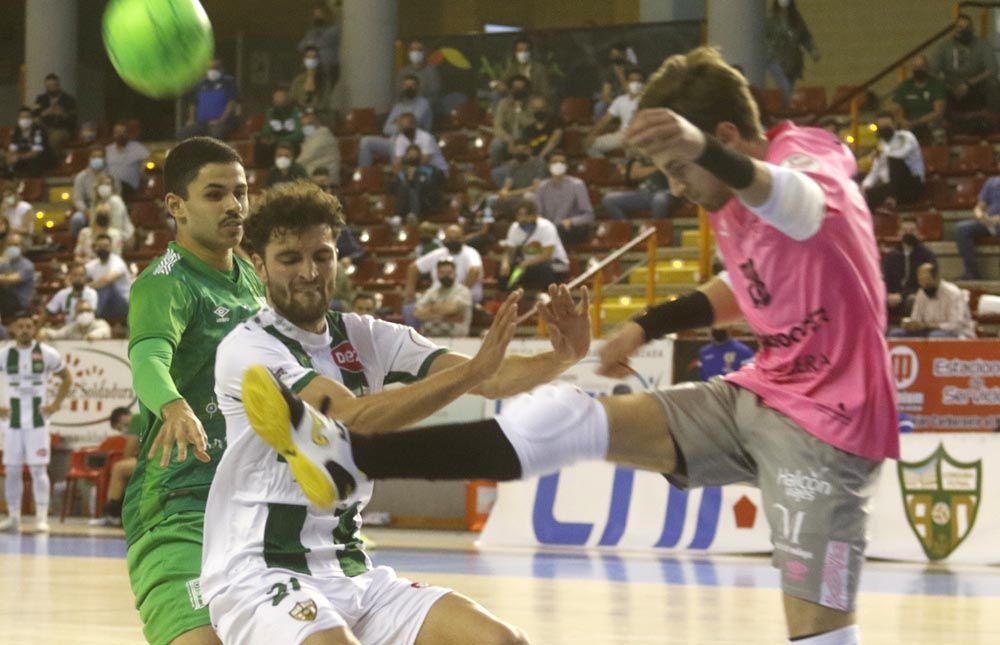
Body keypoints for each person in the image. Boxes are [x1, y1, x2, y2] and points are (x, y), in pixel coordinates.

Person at [270, 46, 899, 645]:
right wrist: (649, 324)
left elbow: (806, 208)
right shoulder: (737, 199)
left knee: (823, 634)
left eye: (680, 168)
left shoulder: (807, 168)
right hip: (761, 393)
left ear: (728, 139)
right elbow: (753, 276)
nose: (677, 185)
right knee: (565, 415)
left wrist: (702, 149)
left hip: (831, 428)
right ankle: (351, 460)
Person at [200, 180, 589, 645]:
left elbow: (495, 378)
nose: (309, 272)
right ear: (259, 265)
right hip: (259, 572)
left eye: (322, 256)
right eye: (290, 259)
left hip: (351, 569)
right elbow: (349, 417)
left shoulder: (365, 335)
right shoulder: (248, 346)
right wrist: (474, 373)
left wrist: (563, 357)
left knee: (504, 641)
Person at [121, 137, 265, 645]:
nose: (234, 205)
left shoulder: (250, 276)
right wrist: (174, 404)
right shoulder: (165, 282)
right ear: (176, 207)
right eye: (215, 194)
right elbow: (147, 358)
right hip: (180, 502)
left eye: (241, 192)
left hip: (255, 503)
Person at [0, 311, 72, 534]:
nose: (24, 330)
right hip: (11, 422)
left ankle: (41, 518)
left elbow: (67, 377)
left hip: (38, 422)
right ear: (13, 329)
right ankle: (13, 517)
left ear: (34, 328)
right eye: (20, 326)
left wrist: (56, 404)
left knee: (38, 469)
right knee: (11, 470)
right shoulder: (4, 354)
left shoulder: (47, 353)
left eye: (28, 326)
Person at [931, 13, 1000, 119]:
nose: (961, 31)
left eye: (965, 28)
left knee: (993, 84)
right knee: (933, 87)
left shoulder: (982, 45)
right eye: (959, 27)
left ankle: (994, 121)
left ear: (971, 29)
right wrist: (949, 86)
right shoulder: (944, 47)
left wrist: (968, 84)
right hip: (951, 86)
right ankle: (939, 125)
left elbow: (992, 69)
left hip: (975, 85)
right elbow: (933, 71)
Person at [357, 79, 434, 169]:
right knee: (365, 141)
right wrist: (401, 125)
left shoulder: (423, 103)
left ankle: (397, 176)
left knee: (397, 143)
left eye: (412, 85)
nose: (409, 88)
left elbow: (409, 126)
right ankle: (364, 176)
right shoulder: (399, 105)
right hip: (394, 140)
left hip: (416, 142)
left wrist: (397, 122)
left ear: (418, 87)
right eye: (406, 85)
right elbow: (386, 129)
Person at [889, 263, 975, 339]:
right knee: (895, 334)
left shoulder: (953, 294)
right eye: (922, 284)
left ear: (937, 278)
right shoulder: (922, 293)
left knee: (935, 336)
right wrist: (911, 324)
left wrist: (928, 325)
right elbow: (916, 319)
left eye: (928, 284)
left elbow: (955, 325)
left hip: (956, 333)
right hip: (927, 331)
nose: (925, 288)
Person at [500, 199, 569, 292]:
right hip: (528, 264)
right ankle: (509, 298)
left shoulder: (546, 227)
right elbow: (509, 251)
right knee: (504, 273)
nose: (522, 219)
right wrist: (505, 263)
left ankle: (547, 297)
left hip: (555, 263)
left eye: (526, 215)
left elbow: (547, 255)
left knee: (542, 270)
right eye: (519, 215)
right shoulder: (514, 227)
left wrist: (525, 264)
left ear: (534, 216)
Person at [860, 112, 925, 210]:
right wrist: (864, 187)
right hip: (890, 186)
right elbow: (875, 170)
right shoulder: (881, 144)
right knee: (865, 196)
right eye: (881, 126)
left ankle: (891, 198)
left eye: (887, 126)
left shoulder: (906, 137)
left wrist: (881, 152)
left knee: (894, 160)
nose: (884, 129)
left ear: (894, 125)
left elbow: (899, 154)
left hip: (911, 185)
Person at [407, 224, 483, 304]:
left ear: (463, 238)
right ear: (445, 239)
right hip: (437, 298)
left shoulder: (470, 253)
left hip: (462, 300)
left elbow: (475, 270)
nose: (453, 241)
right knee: (410, 308)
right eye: (450, 238)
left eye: (456, 238)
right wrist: (410, 294)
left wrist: (460, 293)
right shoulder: (438, 253)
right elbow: (413, 268)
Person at [88, 407, 138, 527]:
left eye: (120, 428)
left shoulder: (136, 419)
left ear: (121, 418)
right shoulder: (141, 421)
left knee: (118, 468)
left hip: (155, 460)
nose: (123, 431)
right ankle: (121, 512)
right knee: (123, 470)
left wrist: (129, 456)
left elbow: (129, 450)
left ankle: (112, 515)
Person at [765, 0, 820, 106]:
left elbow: (805, 36)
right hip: (776, 58)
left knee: (790, 87)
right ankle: (789, 106)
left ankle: (787, 109)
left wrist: (813, 51)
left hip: (793, 60)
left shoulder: (796, 18)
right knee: (785, 85)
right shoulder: (770, 18)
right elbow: (763, 38)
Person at [535, 151, 595, 245]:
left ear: (566, 166)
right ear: (548, 165)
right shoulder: (542, 187)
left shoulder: (577, 185)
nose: (558, 165)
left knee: (559, 230)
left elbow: (589, 215)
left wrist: (571, 221)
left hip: (570, 229)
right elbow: (538, 214)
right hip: (548, 228)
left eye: (562, 162)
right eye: (554, 162)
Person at [881, 217, 937, 317]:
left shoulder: (927, 255)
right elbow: (884, 279)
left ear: (918, 233)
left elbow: (928, 284)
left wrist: (902, 296)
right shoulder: (891, 256)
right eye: (905, 231)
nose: (908, 234)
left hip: (916, 296)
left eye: (912, 231)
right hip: (892, 296)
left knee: (912, 300)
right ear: (898, 233)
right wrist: (888, 294)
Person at [586, 68, 644, 158]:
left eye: (638, 81)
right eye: (632, 80)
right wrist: (592, 134)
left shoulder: (648, 100)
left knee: (635, 152)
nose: (635, 83)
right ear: (627, 82)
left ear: (643, 83)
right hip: (621, 135)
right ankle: (607, 169)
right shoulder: (620, 100)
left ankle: (631, 167)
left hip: (641, 137)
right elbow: (605, 120)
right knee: (590, 146)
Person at [177, 59, 240, 140]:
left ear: (222, 69)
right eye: (210, 68)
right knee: (182, 134)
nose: (212, 71)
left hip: (222, 123)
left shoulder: (228, 82)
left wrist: (221, 120)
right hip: (202, 123)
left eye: (215, 68)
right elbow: (193, 104)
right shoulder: (201, 84)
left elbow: (231, 104)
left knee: (215, 134)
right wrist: (191, 119)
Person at [891, 55, 946, 145]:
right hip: (908, 123)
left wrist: (917, 122)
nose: (919, 70)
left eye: (921, 67)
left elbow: (938, 112)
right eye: (916, 67)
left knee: (936, 131)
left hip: (930, 123)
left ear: (927, 68)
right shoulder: (905, 86)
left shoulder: (936, 85)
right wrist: (901, 121)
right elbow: (896, 108)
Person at [955, 174, 1000, 280]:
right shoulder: (991, 183)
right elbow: (979, 207)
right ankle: (972, 273)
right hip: (989, 222)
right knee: (961, 229)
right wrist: (981, 216)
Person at [413, 258, 473, 337]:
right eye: (442, 272)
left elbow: (451, 308)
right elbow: (417, 313)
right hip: (431, 337)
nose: (446, 276)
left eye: (449, 272)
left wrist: (430, 309)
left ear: (455, 273)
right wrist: (446, 316)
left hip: (456, 337)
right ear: (437, 274)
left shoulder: (463, 291)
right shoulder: (432, 292)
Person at [70, 148, 121, 239]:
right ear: (89, 159)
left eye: (99, 156)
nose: (97, 159)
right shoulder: (81, 177)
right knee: (77, 219)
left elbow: (117, 194)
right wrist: (87, 211)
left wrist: (105, 208)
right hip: (88, 209)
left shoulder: (112, 175)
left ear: (104, 159)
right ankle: (78, 243)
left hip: (109, 207)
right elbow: (78, 199)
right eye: (94, 156)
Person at [602, 157, 671, 220]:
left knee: (659, 200)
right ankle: (624, 228)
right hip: (642, 195)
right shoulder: (639, 159)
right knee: (609, 199)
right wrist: (656, 168)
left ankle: (655, 228)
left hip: (663, 193)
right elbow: (634, 175)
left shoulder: (668, 156)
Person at [490, 75, 537, 166]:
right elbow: (497, 127)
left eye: (521, 88)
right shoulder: (503, 103)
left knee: (520, 134)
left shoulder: (532, 104)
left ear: (526, 89)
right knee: (496, 144)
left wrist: (518, 110)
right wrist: (508, 139)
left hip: (526, 138)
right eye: (515, 87)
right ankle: (495, 169)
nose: (518, 90)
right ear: (511, 89)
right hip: (507, 138)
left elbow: (531, 124)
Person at [254, 88, 304, 170]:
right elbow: (266, 130)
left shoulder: (296, 111)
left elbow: (299, 134)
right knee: (260, 145)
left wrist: (279, 139)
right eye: (276, 101)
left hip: (293, 142)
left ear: (288, 100)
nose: (279, 103)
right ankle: (263, 172)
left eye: (282, 101)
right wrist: (263, 137)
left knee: (286, 146)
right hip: (275, 141)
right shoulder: (271, 112)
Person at [85, 234, 132, 320]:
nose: (102, 249)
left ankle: (93, 317)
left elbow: (106, 280)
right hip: (105, 304)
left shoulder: (117, 262)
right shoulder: (92, 265)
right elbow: (76, 274)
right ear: (95, 248)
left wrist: (86, 287)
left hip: (124, 304)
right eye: (100, 246)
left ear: (111, 247)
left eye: (105, 246)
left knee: (107, 287)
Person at [392, 144, 444, 219]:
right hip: (405, 206)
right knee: (407, 189)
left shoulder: (429, 171)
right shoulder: (401, 174)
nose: (412, 158)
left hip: (425, 202)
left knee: (414, 189)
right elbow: (395, 191)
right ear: (406, 157)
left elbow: (434, 187)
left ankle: (412, 215)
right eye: (410, 156)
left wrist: (417, 178)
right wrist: (409, 179)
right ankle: (402, 216)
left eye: (415, 156)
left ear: (419, 157)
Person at [298, 2, 341, 88]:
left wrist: (312, 43)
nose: (317, 16)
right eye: (315, 15)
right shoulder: (311, 33)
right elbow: (301, 47)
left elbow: (325, 40)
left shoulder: (333, 29)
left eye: (319, 14)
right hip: (316, 69)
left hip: (330, 66)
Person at [32, 73, 78, 153]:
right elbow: (34, 115)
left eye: (53, 85)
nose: (50, 88)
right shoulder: (40, 99)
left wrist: (63, 114)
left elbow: (74, 119)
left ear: (58, 85)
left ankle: (55, 162)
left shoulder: (69, 100)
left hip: (62, 129)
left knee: (54, 139)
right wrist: (45, 113)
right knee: (35, 125)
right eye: (48, 86)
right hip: (46, 128)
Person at [105, 122, 150, 198]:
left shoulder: (137, 148)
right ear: (113, 134)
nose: (120, 135)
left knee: (118, 185)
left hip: (130, 188)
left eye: (123, 132)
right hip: (110, 188)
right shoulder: (108, 150)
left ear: (127, 134)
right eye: (118, 132)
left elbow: (149, 161)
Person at [397, 40, 443, 109]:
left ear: (424, 52)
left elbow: (435, 96)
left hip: (426, 109)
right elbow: (398, 93)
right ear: (408, 52)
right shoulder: (403, 71)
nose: (415, 52)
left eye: (419, 49)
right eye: (412, 49)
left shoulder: (431, 71)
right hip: (404, 109)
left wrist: (419, 105)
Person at [7, 106, 52, 177]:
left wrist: (19, 157)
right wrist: (12, 157)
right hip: (23, 157)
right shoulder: (16, 131)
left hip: (40, 158)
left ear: (32, 118)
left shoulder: (38, 130)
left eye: (27, 117)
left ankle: (32, 183)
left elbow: (36, 153)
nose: (24, 120)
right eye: (22, 117)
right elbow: (13, 149)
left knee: (33, 162)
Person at [0, 233, 36, 321]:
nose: (12, 248)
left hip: (18, 301)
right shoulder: (4, 262)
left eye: (16, 245)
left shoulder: (27, 265)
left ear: (22, 247)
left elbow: (9, 280)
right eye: (9, 245)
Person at [38, 299, 111, 341]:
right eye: (81, 311)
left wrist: (92, 336)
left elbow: (105, 331)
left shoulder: (100, 323)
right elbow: (57, 334)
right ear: (75, 314)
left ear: (93, 312)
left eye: (87, 310)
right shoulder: (71, 328)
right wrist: (45, 331)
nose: (84, 314)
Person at [296, 109, 340, 178]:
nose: (306, 127)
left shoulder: (322, 137)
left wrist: (290, 168)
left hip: (325, 178)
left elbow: (304, 159)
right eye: (304, 125)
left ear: (317, 123)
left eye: (310, 124)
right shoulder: (311, 136)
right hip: (314, 174)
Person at [595, 42, 634, 119]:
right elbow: (606, 93)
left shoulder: (633, 69)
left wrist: (621, 76)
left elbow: (631, 93)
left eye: (618, 56)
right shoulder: (609, 71)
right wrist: (614, 104)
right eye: (613, 56)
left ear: (625, 55)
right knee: (599, 106)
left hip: (628, 98)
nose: (615, 59)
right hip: (614, 100)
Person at [290, 46, 332, 113]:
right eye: (308, 57)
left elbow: (325, 102)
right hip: (300, 115)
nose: (311, 60)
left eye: (314, 57)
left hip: (319, 115)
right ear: (304, 59)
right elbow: (293, 99)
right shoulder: (298, 80)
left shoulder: (324, 80)